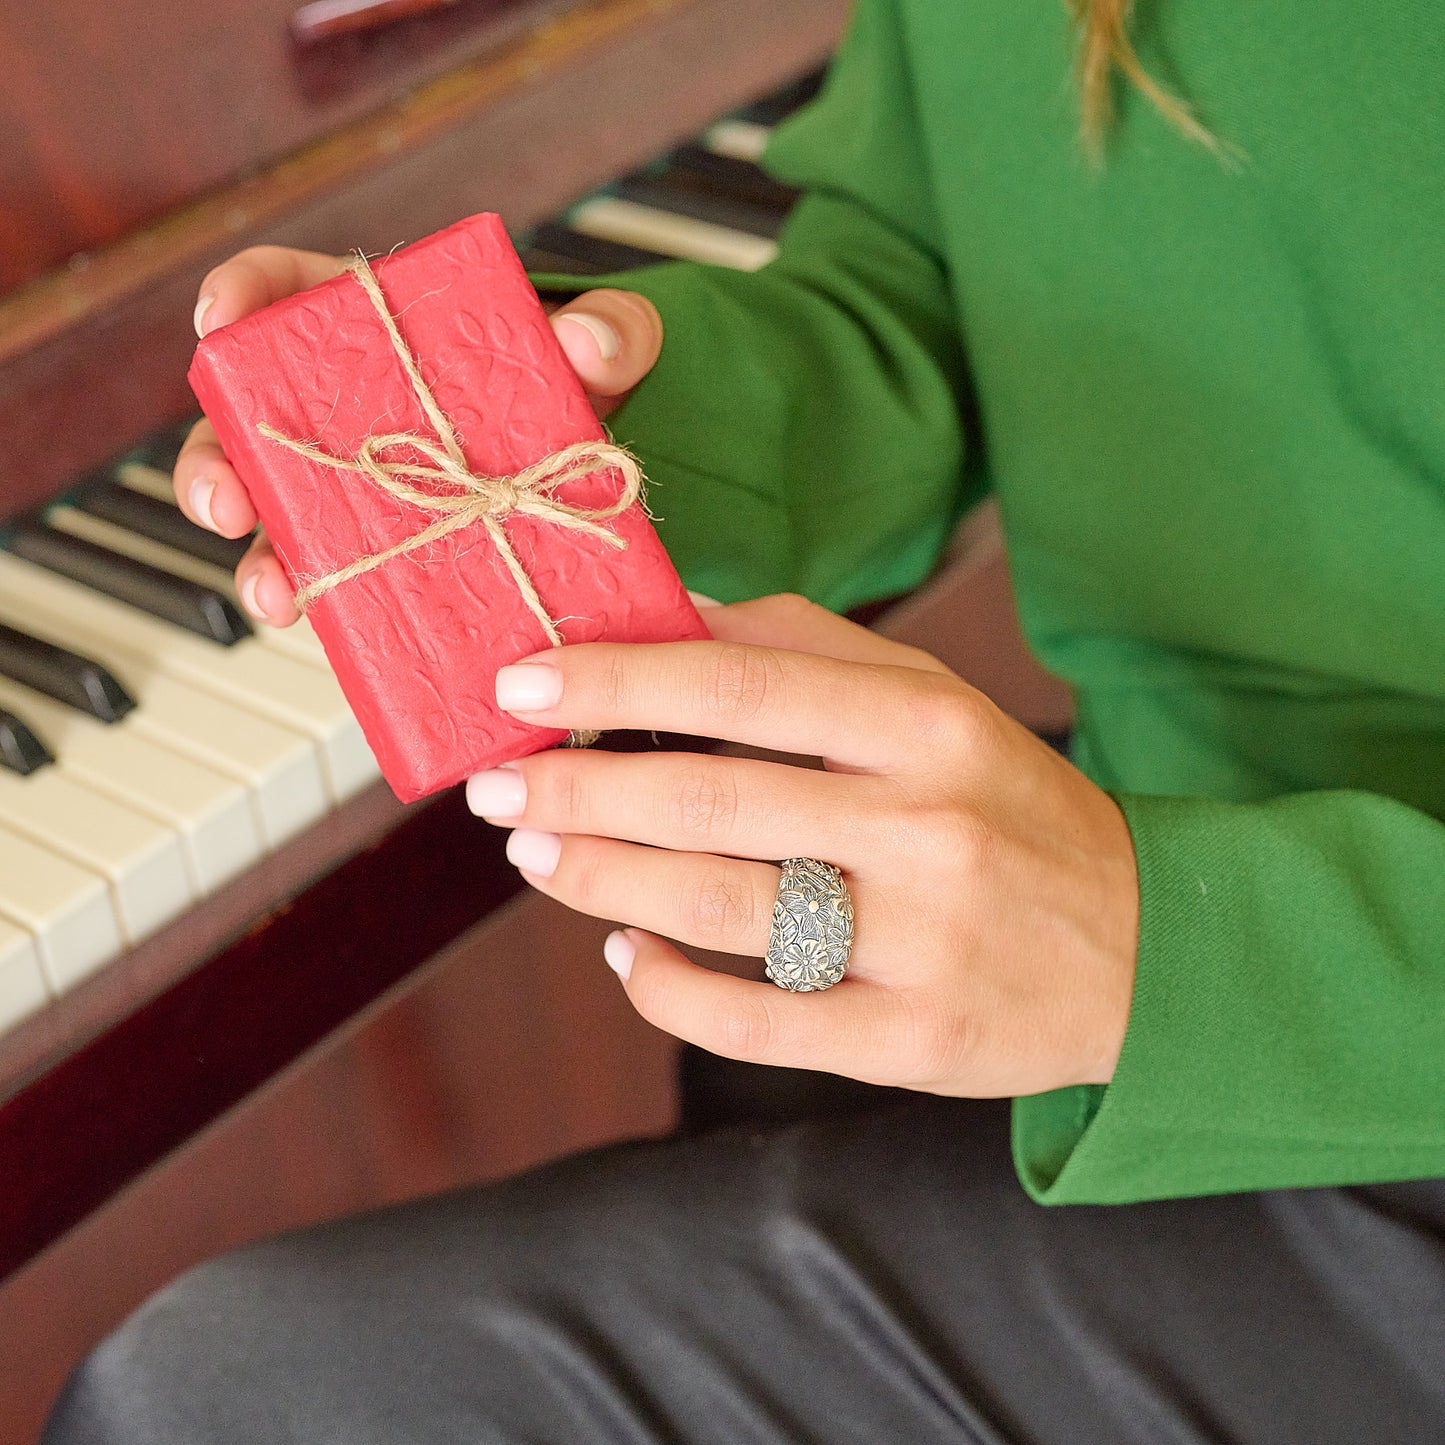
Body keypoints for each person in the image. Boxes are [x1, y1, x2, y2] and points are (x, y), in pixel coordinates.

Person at [44, 0, 1445, 1439]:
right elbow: (945, 293)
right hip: (1171, 875)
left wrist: (1173, 949)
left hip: (1367, 1041)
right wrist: (552, 417)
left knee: (212, 1403)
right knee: (747, 1053)